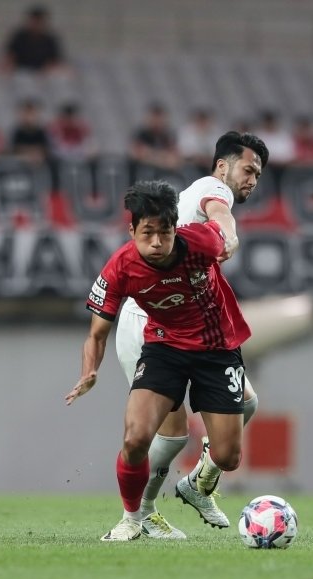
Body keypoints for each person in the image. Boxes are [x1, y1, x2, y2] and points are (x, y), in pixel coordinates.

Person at [65, 178, 253, 542]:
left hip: (217, 350)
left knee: (229, 457)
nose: (156, 243)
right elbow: (96, 333)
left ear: (175, 228)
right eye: (147, 232)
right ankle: (132, 518)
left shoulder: (201, 243)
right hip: (164, 348)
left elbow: (221, 219)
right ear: (132, 228)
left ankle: (197, 483)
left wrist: (230, 235)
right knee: (136, 438)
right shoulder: (120, 267)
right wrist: (89, 372)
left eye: (164, 233)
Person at [101, 131, 268, 540]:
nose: (252, 179)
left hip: (190, 326)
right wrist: (229, 233)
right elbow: (221, 212)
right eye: (248, 169)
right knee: (170, 433)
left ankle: (197, 482)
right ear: (222, 166)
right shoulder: (213, 189)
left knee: (247, 402)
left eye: (258, 174)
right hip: (150, 322)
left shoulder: (196, 196)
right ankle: (141, 514)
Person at [2, 5, 66, 75]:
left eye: (39, 22)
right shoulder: (19, 37)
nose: (37, 25)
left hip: (43, 73)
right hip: (20, 72)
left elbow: (55, 60)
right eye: (35, 21)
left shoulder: (50, 39)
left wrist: (46, 70)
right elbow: (10, 56)